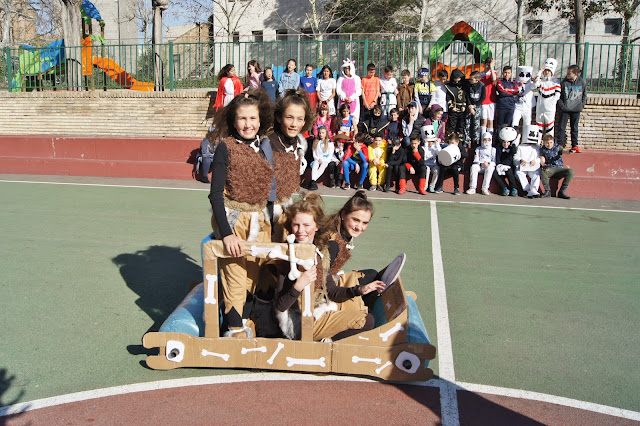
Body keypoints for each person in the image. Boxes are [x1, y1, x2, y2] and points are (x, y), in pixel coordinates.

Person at [273, 193, 385, 341]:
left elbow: (331, 290)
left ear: (317, 226)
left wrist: (360, 290)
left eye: (306, 225)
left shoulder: (321, 252)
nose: (301, 231)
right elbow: (281, 306)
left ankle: (327, 338)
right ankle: (325, 345)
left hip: (318, 309)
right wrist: (299, 285)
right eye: (296, 225)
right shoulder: (288, 256)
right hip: (299, 322)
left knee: (363, 311)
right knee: (366, 320)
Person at [208, 89, 274, 338]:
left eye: (253, 118)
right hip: (234, 220)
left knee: (252, 277)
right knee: (235, 274)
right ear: (233, 121)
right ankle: (234, 330)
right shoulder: (225, 148)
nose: (248, 124)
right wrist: (226, 234)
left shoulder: (263, 147)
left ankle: (245, 321)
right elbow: (215, 195)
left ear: (260, 119)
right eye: (242, 118)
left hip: (259, 220)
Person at [268, 88, 315, 239]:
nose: (294, 124)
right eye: (289, 117)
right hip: (265, 214)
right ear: (279, 117)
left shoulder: (299, 144)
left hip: (284, 208)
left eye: (299, 119)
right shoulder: (268, 143)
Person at [557, 64, 587, 153]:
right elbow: (558, 95)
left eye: (569, 73)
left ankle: (575, 145)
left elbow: (584, 95)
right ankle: (560, 145)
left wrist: (581, 105)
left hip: (576, 108)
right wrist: (562, 106)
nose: (567, 74)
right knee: (561, 127)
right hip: (565, 109)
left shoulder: (582, 82)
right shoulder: (564, 82)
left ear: (575, 74)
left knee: (574, 127)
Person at [533, 58, 561, 138]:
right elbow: (535, 84)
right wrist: (540, 72)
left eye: (548, 70)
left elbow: (557, 95)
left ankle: (549, 144)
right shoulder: (541, 81)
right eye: (545, 70)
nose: (547, 72)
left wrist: (551, 104)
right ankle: (538, 143)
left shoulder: (556, 82)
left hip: (550, 109)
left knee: (550, 127)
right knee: (539, 127)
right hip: (540, 108)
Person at [540, 134, 573, 199]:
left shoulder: (557, 147)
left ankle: (562, 191)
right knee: (543, 171)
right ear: (544, 143)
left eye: (551, 142)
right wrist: (543, 165)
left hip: (559, 168)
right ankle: (547, 191)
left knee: (570, 171)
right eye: (547, 143)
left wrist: (569, 151)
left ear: (553, 142)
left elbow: (564, 151)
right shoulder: (542, 149)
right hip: (550, 169)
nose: (549, 145)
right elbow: (542, 158)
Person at [514, 126, 541, 198]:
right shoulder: (520, 147)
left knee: (536, 174)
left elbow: (539, 158)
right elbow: (516, 157)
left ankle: (534, 189)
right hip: (522, 167)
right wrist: (520, 160)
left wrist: (535, 161)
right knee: (519, 173)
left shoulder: (537, 147)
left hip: (532, 167)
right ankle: (528, 190)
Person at [493, 126, 519, 196]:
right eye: (504, 142)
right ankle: (504, 187)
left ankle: (513, 188)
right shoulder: (499, 148)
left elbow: (513, 152)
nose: (506, 144)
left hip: (509, 166)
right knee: (495, 173)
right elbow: (498, 157)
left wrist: (514, 143)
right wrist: (499, 165)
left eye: (507, 142)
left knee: (509, 172)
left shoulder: (512, 148)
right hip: (500, 165)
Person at [308, 126, 335, 190]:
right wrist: (318, 159)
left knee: (323, 166)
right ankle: (313, 181)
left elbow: (330, 154)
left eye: (323, 133)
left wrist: (323, 160)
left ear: (326, 134)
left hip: (325, 160)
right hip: (317, 159)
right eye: (320, 133)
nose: (321, 134)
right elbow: (314, 153)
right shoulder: (316, 141)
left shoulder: (329, 142)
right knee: (315, 164)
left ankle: (313, 181)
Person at [512, 65, 536, 136]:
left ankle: (525, 139)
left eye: (527, 75)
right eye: (522, 75)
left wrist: (535, 80)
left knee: (527, 124)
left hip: (527, 107)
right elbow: (515, 92)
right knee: (514, 123)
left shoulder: (530, 84)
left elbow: (534, 86)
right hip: (518, 106)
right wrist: (520, 86)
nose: (524, 77)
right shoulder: (515, 84)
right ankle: (515, 138)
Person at [465, 71, 486, 147]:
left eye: (472, 79)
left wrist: (475, 105)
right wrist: (470, 105)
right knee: (467, 124)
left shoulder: (482, 86)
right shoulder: (468, 85)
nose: (470, 80)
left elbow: (483, 97)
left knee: (476, 125)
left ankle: (475, 142)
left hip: (477, 106)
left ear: (477, 80)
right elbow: (467, 96)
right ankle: (466, 141)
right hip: (469, 106)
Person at [445, 69, 467, 141]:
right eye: (457, 78)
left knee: (461, 125)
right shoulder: (450, 86)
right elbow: (448, 98)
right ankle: (451, 139)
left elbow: (464, 97)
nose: (458, 79)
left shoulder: (463, 86)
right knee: (452, 125)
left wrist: (464, 106)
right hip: (454, 109)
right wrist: (451, 107)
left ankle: (460, 140)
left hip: (462, 109)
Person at [480, 57, 498, 136]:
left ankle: (490, 138)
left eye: (490, 65)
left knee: (490, 121)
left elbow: (494, 79)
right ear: (484, 65)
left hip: (492, 100)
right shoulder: (480, 74)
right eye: (487, 65)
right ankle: (482, 138)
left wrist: (492, 68)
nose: (488, 67)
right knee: (484, 121)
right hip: (483, 101)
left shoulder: (493, 73)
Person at [421, 126, 441, 193]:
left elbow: (439, 153)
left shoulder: (435, 147)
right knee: (427, 170)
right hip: (426, 164)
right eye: (429, 141)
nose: (430, 143)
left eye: (432, 141)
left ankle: (432, 185)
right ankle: (425, 185)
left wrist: (437, 144)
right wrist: (426, 144)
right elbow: (425, 156)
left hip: (433, 164)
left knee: (437, 170)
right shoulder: (423, 147)